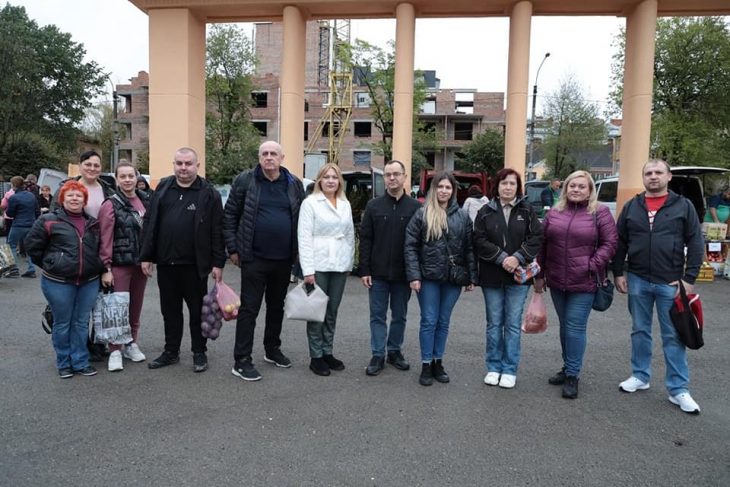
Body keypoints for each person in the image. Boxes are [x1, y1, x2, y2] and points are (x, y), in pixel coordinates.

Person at [612, 159, 704, 414]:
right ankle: (640, 376)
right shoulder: (632, 206)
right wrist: (618, 272)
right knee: (639, 330)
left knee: (673, 335)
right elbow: (620, 241)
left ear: (668, 177)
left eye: (658, 172)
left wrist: (689, 278)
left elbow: (696, 242)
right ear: (643, 178)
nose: (653, 177)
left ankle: (678, 389)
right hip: (638, 279)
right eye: (648, 173)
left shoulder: (683, 206)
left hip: (670, 281)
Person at [223, 140, 305, 381]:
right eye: (264, 153)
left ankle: (272, 349)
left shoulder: (293, 184)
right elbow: (230, 215)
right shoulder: (245, 181)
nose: (269, 157)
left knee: (276, 306)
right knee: (249, 309)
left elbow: (302, 218)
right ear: (259, 157)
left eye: (273, 154)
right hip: (253, 258)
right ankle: (241, 360)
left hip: (284, 259)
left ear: (282, 158)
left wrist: (300, 253)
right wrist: (233, 248)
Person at [140, 147, 226, 373]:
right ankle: (171, 351)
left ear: (197, 166)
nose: (183, 168)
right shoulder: (162, 188)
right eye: (179, 163)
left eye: (188, 163)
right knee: (170, 311)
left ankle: (199, 352)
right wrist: (146, 256)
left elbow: (217, 230)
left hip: (195, 266)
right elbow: (150, 222)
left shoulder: (209, 193)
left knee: (198, 312)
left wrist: (218, 263)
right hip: (166, 264)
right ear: (174, 164)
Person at [533, 170, 617, 399]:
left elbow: (610, 243)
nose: (576, 190)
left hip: (584, 281)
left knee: (575, 327)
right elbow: (542, 244)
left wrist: (592, 264)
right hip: (557, 280)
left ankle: (572, 375)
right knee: (564, 326)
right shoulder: (554, 213)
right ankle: (567, 366)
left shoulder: (600, 212)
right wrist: (539, 275)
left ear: (590, 190)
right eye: (572, 186)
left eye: (581, 186)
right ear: (565, 188)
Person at [24, 180, 104, 378]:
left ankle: (80, 361)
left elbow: (100, 249)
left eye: (79, 195)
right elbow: (32, 246)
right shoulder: (48, 220)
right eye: (70, 195)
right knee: (62, 323)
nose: (74, 198)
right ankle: (64, 362)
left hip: (88, 282)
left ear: (84, 200)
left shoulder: (93, 223)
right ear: (62, 199)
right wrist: (52, 263)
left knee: (81, 323)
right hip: (57, 282)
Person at [404, 172, 477, 386]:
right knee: (429, 320)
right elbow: (410, 246)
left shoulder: (462, 216)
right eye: (440, 187)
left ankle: (438, 361)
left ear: (453, 191)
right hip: (428, 277)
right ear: (433, 189)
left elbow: (469, 248)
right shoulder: (422, 213)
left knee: (443, 321)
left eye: (448, 187)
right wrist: (414, 276)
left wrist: (472, 277)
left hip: (453, 278)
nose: (444, 191)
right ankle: (426, 364)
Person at [473, 168, 543, 389]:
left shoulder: (527, 210)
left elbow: (536, 237)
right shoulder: (485, 211)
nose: (508, 187)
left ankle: (509, 369)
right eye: (504, 183)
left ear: (518, 187)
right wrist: (503, 258)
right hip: (492, 275)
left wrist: (517, 257)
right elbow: (479, 240)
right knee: (494, 323)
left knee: (512, 324)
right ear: (497, 186)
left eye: (512, 183)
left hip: (518, 277)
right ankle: (493, 367)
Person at [359, 160, 421, 376]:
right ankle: (378, 354)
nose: (392, 178)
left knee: (400, 315)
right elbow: (365, 239)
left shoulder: (415, 207)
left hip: (403, 274)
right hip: (377, 274)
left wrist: (415, 273)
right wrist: (364, 269)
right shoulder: (373, 206)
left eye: (396, 174)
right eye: (388, 174)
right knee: (377, 316)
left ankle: (394, 351)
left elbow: (420, 243)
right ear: (384, 178)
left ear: (405, 177)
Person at [297, 163, 355, 376]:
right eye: (326, 177)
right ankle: (316, 356)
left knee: (332, 310)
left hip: (339, 263)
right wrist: (308, 270)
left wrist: (349, 261)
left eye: (335, 177)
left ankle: (327, 351)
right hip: (318, 263)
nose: (331, 181)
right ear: (319, 180)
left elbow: (350, 235)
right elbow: (304, 237)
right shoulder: (310, 203)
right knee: (316, 310)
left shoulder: (345, 204)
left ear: (340, 181)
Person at [98, 161, 151, 372]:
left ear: (137, 177)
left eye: (131, 176)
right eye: (123, 176)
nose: (128, 180)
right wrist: (106, 268)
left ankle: (131, 343)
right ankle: (115, 350)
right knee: (116, 308)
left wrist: (150, 257)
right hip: (119, 264)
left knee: (135, 307)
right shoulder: (110, 204)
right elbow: (105, 238)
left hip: (140, 264)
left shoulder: (146, 200)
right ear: (117, 179)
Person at [52, 151, 115, 219]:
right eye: (88, 165)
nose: (92, 168)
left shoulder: (109, 191)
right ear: (79, 165)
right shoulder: (65, 189)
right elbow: (53, 216)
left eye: (96, 166)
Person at [6, 176, 40, 278]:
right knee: (29, 247)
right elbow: (37, 211)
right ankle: (31, 269)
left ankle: (13, 270)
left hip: (18, 225)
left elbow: (10, 213)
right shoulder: (31, 195)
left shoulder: (13, 198)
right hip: (31, 224)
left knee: (11, 245)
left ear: (14, 185)